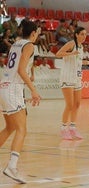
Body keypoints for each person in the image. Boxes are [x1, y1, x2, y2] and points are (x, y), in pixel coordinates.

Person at [0, 20, 41, 184]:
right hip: (13, 89)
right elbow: (21, 69)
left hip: (4, 85)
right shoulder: (30, 46)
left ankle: (12, 165)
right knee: (22, 129)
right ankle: (12, 166)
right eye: (37, 32)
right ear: (33, 33)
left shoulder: (16, 43)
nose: (37, 35)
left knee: (10, 127)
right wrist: (33, 90)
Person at [55, 26, 87, 140]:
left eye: (85, 34)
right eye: (82, 34)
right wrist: (71, 54)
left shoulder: (82, 47)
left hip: (77, 77)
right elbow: (58, 54)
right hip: (67, 77)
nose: (84, 36)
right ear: (77, 34)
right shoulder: (71, 44)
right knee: (69, 104)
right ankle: (63, 128)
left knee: (77, 103)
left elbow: (78, 61)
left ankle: (72, 128)